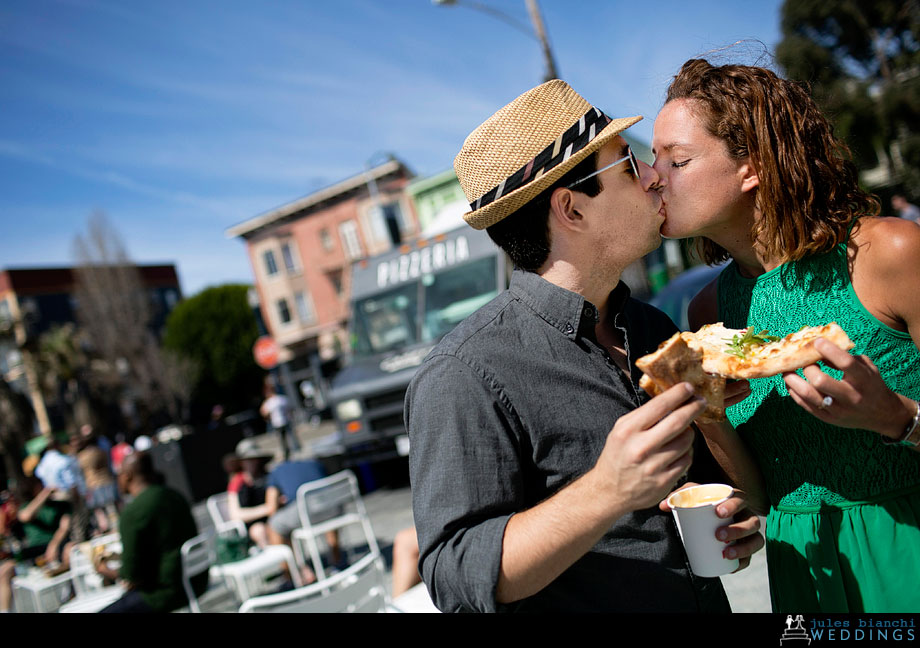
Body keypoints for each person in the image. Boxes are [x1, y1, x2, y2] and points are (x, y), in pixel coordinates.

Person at [406, 80, 764, 613]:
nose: (652, 178)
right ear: (571, 209)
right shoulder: (464, 374)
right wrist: (606, 490)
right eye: (628, 165)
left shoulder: (650, 328)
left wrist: (733, 512)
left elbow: (726, 494)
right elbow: (455, 575)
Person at [652, 58, 920, 613]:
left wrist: (894, 417)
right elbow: (761, 494)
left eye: (676, 160)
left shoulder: (889, 254)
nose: (653, 177)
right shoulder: (710, 312)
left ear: (750, 167)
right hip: (806, 577)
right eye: (652, 159)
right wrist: (713, 427)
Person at [96, 451, 206, 613]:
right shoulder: (175, 495)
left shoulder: (133, 512)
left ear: (127, 476)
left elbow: (130, 575)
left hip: (166, 593)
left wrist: (105, 570)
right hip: (198, 580)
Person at [0, 477, 72, 613]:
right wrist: (44, 495)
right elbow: (26, 516)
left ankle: (67, 599)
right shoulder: (26, 506)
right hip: (33, 553)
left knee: (69, 551)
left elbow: (64, 527)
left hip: (55, 548)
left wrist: (54, 545)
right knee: (5, 570)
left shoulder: (60, 504)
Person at [263, 457, 338, 582]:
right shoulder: (314, 462)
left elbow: (271, 508)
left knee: (274, 525)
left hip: (306, 512)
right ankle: (337, 561)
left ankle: (290, 577)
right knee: (324, 512)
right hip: (334, 506)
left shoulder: (275, 472)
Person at [226, 440, 273, 549]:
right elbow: (236, 514)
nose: (253, 463)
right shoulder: (237, 482)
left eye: (255, 459)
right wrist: (267, 508)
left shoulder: (267, 477)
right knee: (260, 530)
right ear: (241, 462)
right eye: (248, 460)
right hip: (251, 526)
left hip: (273, 518)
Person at [260, 384, 298, 460]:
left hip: (277, 423)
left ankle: (287, 452)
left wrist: (268, 418)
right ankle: (295, 449)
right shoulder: (282, 399)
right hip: (286, 420)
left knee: (282, 439)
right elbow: (290, 409)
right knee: (291, 436)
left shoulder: (269, 402)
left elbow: (263, 412)